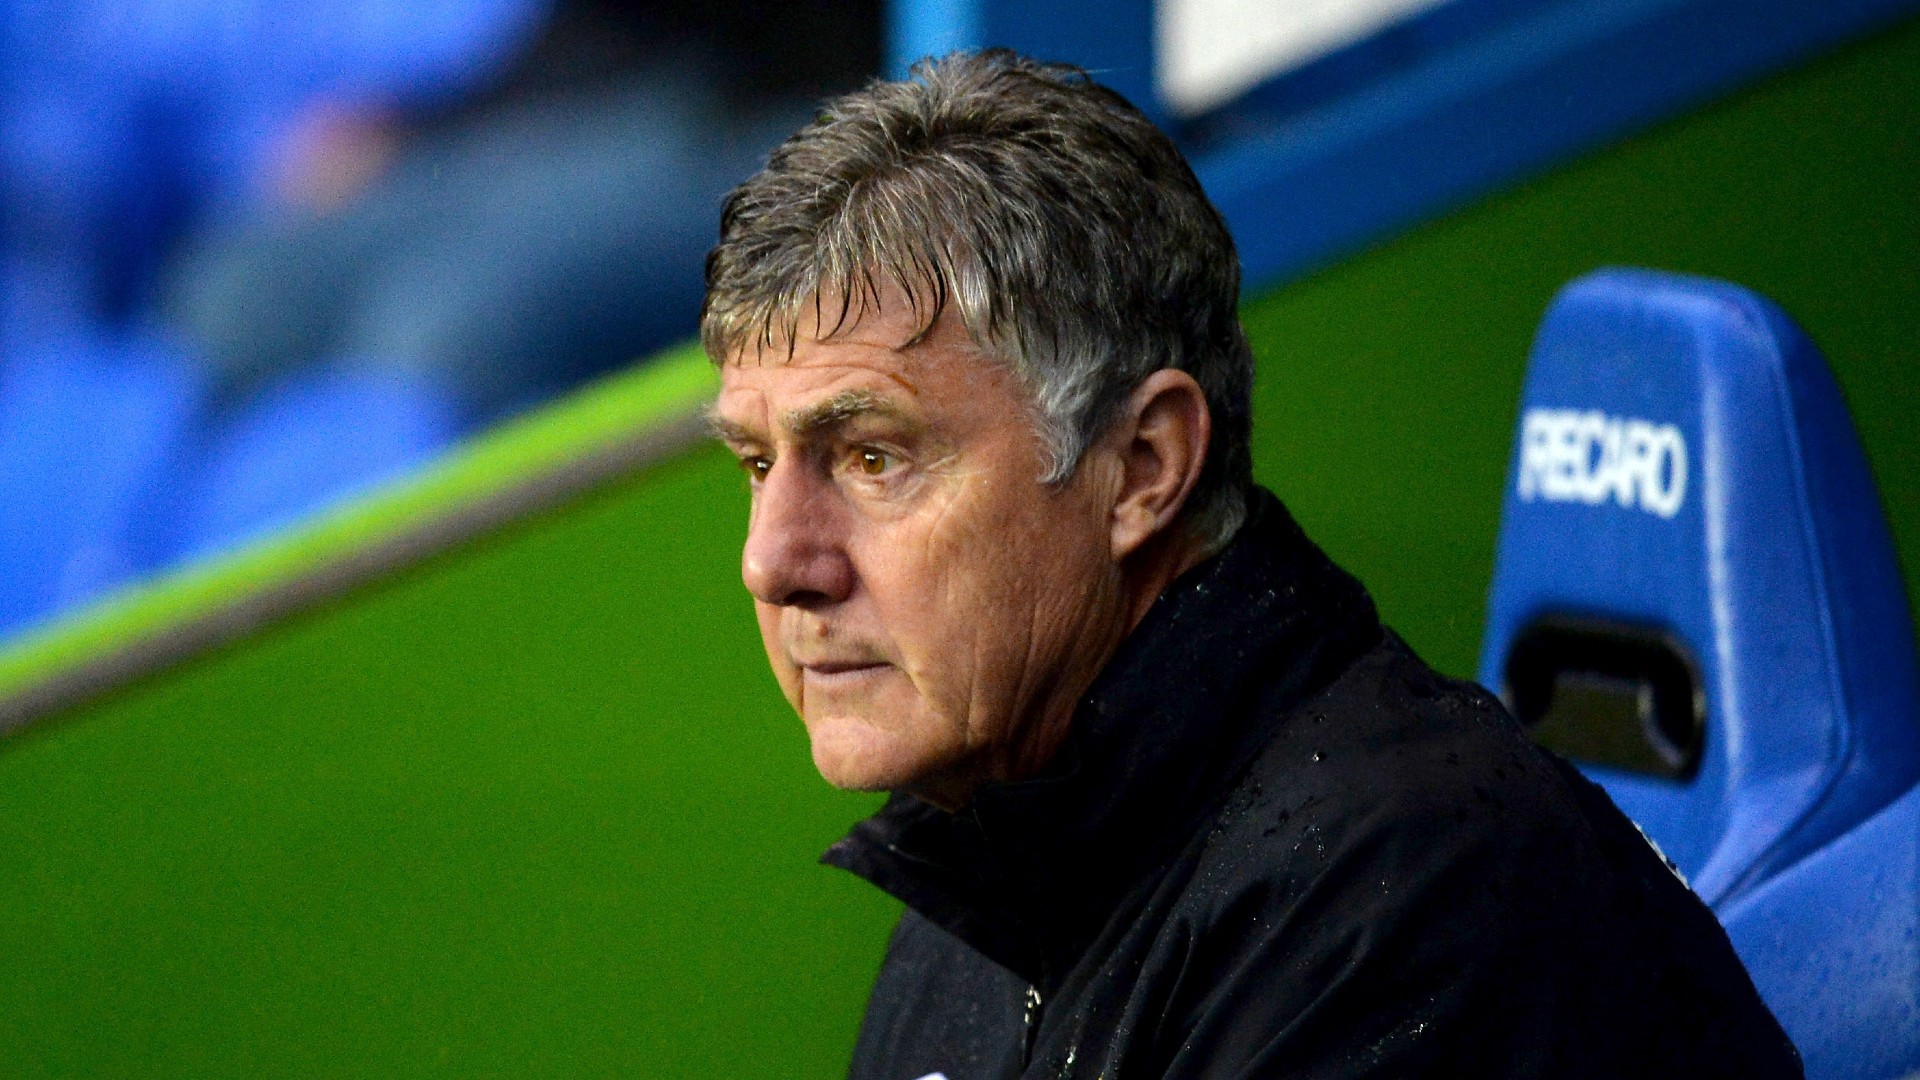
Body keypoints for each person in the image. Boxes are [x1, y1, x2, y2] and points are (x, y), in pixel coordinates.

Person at [701, 50, 1802, 1078]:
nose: (772, 561)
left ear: (1142, 466)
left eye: (874, 457)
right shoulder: (982, 858)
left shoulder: (1413, 904)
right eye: (756, 463)